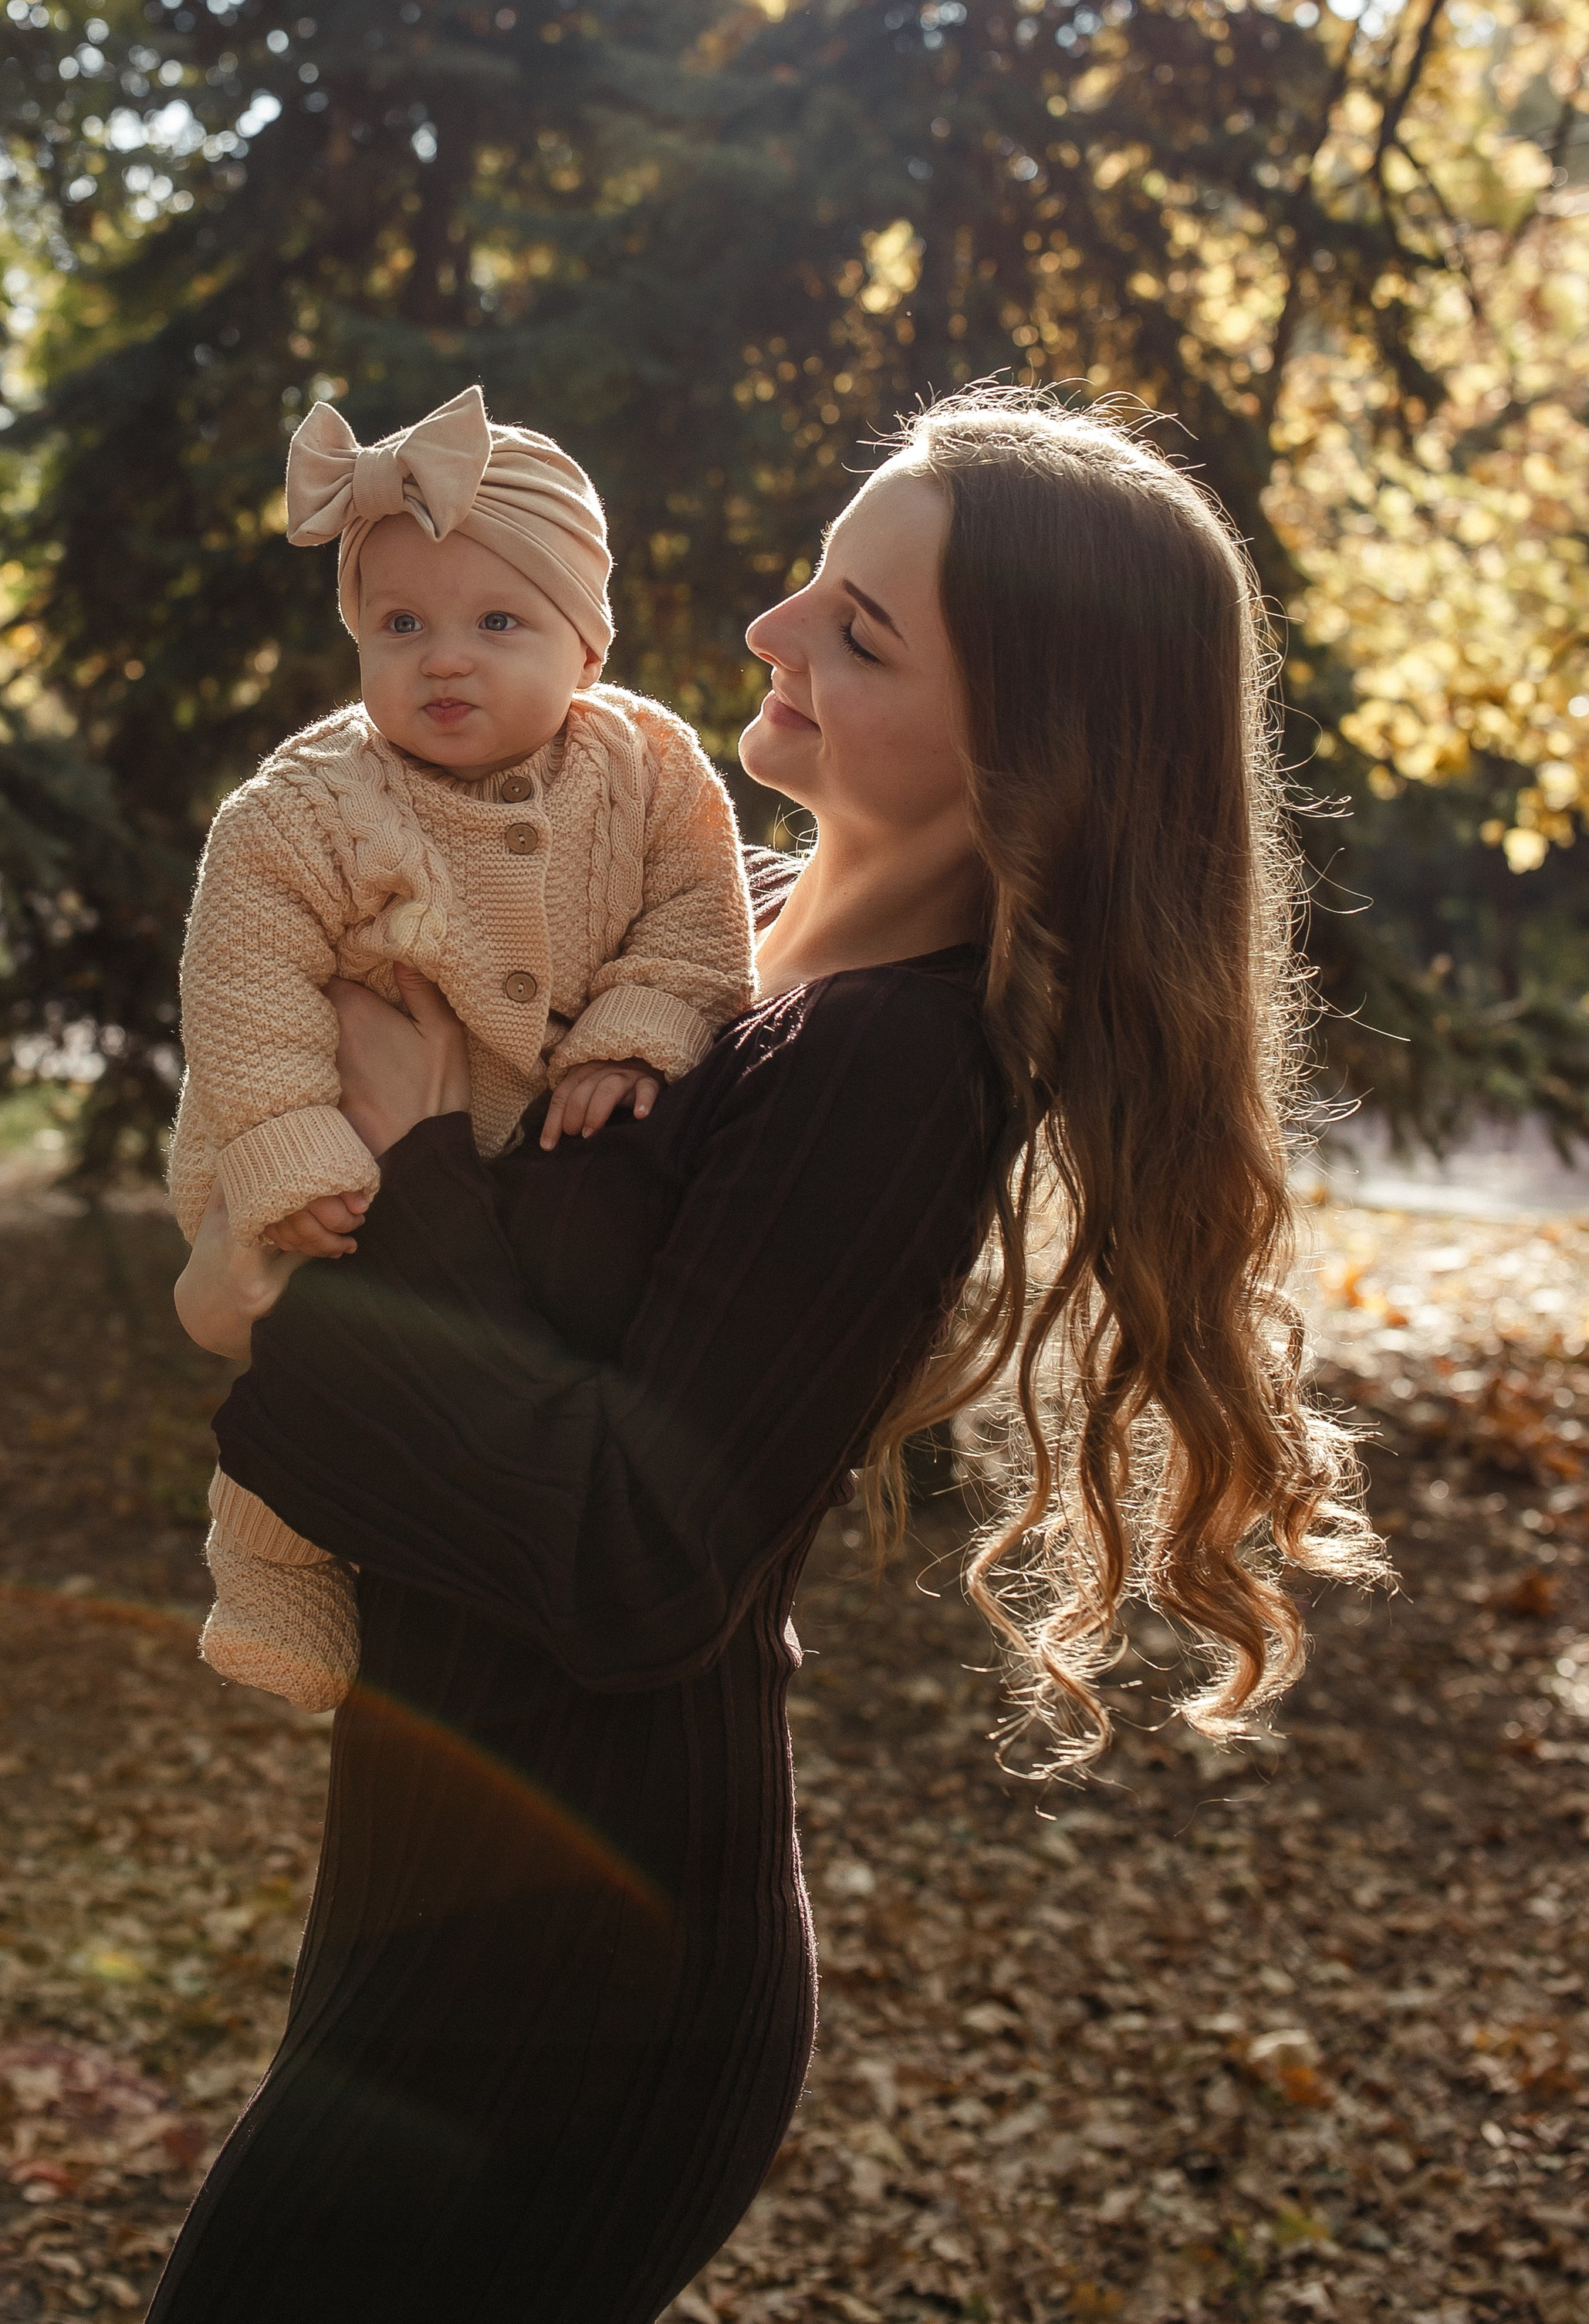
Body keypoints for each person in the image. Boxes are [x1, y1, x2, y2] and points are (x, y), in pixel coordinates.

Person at [156, 391, 1381, 2324]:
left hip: (585, 1972)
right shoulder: (717, 942)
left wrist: (389, 1169)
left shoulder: (891, 1069)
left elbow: (640, 1561)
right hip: (450, 1871)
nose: (769, 632)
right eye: (817, 578)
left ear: (1032, 753)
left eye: (861, 631)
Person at [170, 383, 755, 1709]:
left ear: (589, 650)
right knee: (310, 1346)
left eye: (498, 622)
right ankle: (268, 1563)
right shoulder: (302, 809)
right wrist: (291, 1143)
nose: (445, 658)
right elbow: (244, 980)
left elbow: (697, 921)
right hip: (336, 1144)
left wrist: (638, 1030)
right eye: (401, 625)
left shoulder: (655, 770)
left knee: (449, 1377)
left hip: (511, 1162)